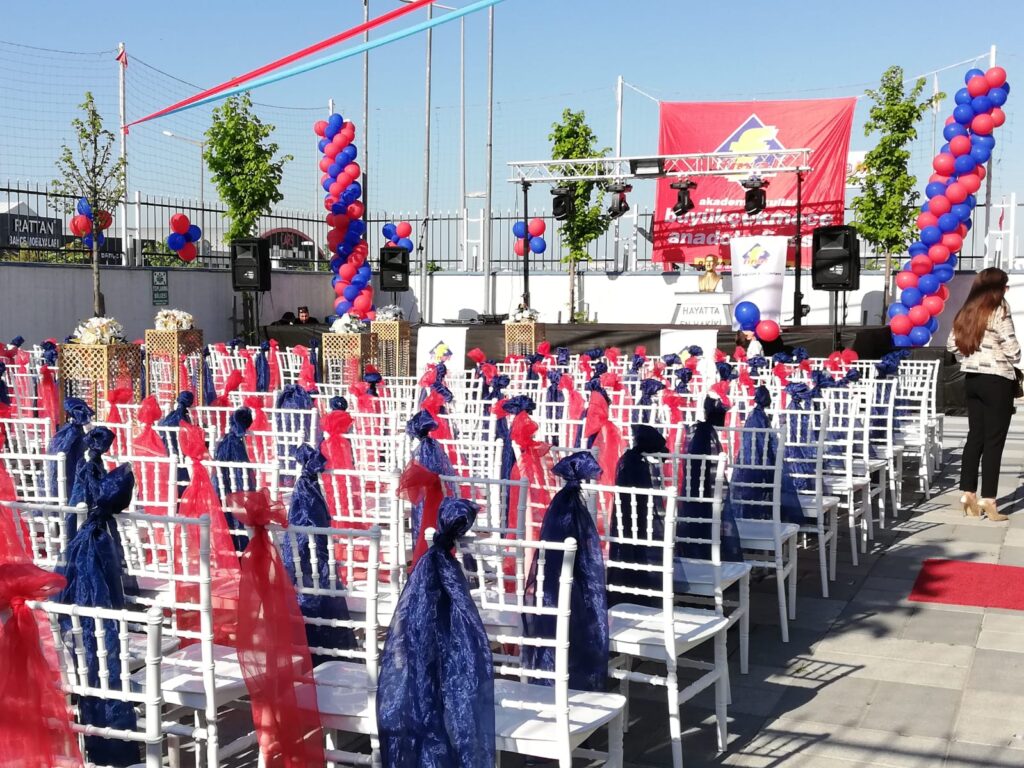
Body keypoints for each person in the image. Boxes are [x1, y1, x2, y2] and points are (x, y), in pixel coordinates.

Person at [947, 267, 1019, 521]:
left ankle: (968, 493)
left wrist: (973, 355)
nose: (1006, 290)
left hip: (972, 379)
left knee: (975, 436)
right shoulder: (1000, 310)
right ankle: (989, 499)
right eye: (1005, 285)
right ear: (998, 288)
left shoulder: (968, 309)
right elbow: (1013, 351)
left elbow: (952, 344)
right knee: (994, 441)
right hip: (997, 380)